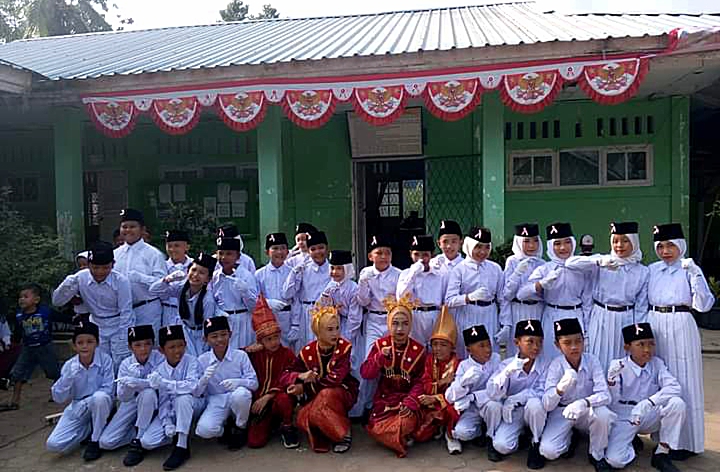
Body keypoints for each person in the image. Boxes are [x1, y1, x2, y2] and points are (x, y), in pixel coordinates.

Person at [647, 223, 714, 458]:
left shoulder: (688, 269)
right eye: (660, 246)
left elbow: (703, 305)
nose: (665, 251)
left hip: (681, 324)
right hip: (655, 323)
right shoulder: (652, 270)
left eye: (670, 246)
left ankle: (685, 442)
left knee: (684, 380)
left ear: (680, 246)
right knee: (659, 380)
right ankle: (661, 438)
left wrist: (695, 274)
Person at [565, 222, 649, 370]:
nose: (619, 245)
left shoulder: (642, 271)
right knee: (597, 359)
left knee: (621, 363)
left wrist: (637, 334)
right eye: (615, 241)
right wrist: (598, 262)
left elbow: (641, 307)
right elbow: (570, 263)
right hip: (601, 317)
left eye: (625, 241)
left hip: (626, 319)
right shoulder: (603, 261)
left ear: (634, 242)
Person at [605, 323, 687, 472]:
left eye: (651, 344)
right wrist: (611, 382)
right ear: (627, 347)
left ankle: (662, 453)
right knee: (615, 461)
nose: (647, 349)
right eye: (641, 344)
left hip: (650, 412)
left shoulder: (656, 363)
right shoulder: (618, 366)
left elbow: (674, 387)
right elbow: (613, 400)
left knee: (677, 403)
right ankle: (632, 444)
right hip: (626, 416)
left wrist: (649, 402)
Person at [539, 318, 615, 472]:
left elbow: (605, 395)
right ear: (557, 345)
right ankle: (570, 438)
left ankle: (596, 454)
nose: (574, 347)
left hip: (586, 409)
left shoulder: (592, 361)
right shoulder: (555, 365)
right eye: (567, 343)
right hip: (563, 412)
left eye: (578, 341)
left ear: (584, 341)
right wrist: (559, 389)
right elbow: (547, 404)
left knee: (604, 415)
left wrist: (584, 402)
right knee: (549, 451)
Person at [280, 304, 358, 453]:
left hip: (342, 394)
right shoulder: (307, 351)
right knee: (303, 417)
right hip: (316, 398)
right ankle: (331, 429)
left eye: (337, 328)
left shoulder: (344, 348)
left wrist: (303, 387)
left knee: (326, 394)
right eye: (330, 329)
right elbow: (285, 375)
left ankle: (343, 433)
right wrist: (299, 376)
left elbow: (334, 380)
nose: (335, 333)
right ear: (318, 331)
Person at [52, 241, 134, 372]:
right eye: (95, 268)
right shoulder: (80, 278)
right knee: (99, 363)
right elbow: (57, 301)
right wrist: (67, 284)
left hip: (118, 324)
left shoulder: (121, 281)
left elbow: (126, 311)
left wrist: (123, 336)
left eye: (105, 268)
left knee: (120, 363)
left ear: (113, 264)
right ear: (88, 265)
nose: (100, 272)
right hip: (96, 325)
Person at [362, 295, 425, 458]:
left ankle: (395, 434)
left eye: (405, 324)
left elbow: (421, 381)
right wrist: (379, 358)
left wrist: (410, 401)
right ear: (389, 324)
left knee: (406, 421)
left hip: (406, 402)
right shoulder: (380, 346)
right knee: (375, 425)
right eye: (395, 323)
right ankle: (399, 436)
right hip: (385, 401)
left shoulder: (419, 350)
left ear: (411, 325)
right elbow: (366, 374)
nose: (400, 329)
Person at [518, 223, 591, 361]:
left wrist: (586, 330)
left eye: (567, 242)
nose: (563, 247)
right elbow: (521, 294)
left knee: (574, 358)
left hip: (576, 314)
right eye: (557, 243)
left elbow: (587, 302)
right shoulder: (545, 269)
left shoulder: (581, 268)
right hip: (552, 315)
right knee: (550, 357)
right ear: (551, 246)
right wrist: (540, 284)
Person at [46, 321, 114, 461]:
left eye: (90, 342)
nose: (85, 346)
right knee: (53, 444)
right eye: (80, 342)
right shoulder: (69, 365)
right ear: (74, 345)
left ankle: (95, 440)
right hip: (77, 406)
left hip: (101, 404)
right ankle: (88, 430)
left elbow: (109, 389)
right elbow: (58, 398)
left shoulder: (105, 360)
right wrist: (68, 378)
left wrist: (87, 402)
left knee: (99, 398)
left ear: (97, 343)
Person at [98, 324, 164, 466]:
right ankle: (136, 431)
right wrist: (129, 386)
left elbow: (158, 385)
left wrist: (138, 382)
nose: (143, 348)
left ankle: (138, 440)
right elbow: (123, 397)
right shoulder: (125, 364)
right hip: (131, 402)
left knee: (147, 394)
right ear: (130, 347)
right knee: (106, 442)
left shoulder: (160, 359)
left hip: (156, 402)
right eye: (138, 345)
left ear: (153, 344)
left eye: (147, 344)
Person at [486, 319, 548, 469]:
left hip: (536, 413)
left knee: (535, 404)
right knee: (502, 445)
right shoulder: (506, 364)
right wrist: (506, 373)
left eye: (539, 342)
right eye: (530, 342)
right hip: (513, 412)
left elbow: (543, 392)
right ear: (516, 342)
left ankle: (536, 442)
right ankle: (521, 438)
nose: (536, 347)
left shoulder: (547, 364)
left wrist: (518, 398)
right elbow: (492, 393)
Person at [141, 325, 204, 471]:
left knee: (183, 398)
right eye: (172, 347)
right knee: (147, 442)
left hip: (195, 405)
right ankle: (177, 432)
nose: (177, 350)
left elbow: (192, 387)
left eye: (180, 345)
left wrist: (166, 383)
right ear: (161, 350)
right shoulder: (159, 370)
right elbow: (163, 401)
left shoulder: (192, 362)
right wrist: (167, 422)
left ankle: (181, 446)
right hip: (172, 411)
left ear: (186, 345)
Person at [354, 234, 402, 417]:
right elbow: (363, 301)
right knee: (371, 361)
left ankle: (388, 402)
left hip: (393, 321)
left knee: (393, 361)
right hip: (374, 320)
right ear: (370, 256)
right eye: (379, 253)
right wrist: (363, 283)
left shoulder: (398, 274)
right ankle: (365, 405)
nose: (383, 257)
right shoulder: (366, 273)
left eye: (387, 253)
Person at [194, 316, 258, 450]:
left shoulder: (240, 355)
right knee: (204, 430)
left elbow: (254, 383)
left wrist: (238, 382)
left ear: (230, 334)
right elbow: (197, 393)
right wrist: (203, 380)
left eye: (223, 334)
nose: (219, 339)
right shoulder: (202, 360)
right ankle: (225, 431)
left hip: (237, 399)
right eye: (214, 336)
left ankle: (240, 427)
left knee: (241, 394)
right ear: (205, 339)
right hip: (215, 400)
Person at [445, 227, 510, 357]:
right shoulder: (459, 269)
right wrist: (468, 297)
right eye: (478, 247)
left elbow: (502, 298)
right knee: (467, 353)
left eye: (487, 247)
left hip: (489, 314)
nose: (482, 252)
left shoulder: (495, 268)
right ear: (469, 246)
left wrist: (506, 323)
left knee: (489, 353)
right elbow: (449, 300)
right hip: (467, 314)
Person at [246, 296, 299, 449]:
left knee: (284, 399)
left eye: (276, 337)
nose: (274, 342)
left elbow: (289, 379)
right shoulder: (255, 354)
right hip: (259, 401)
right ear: (260, 341)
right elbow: (235, 361)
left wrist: (268, 396)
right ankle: (269, 422)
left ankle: (287, 426)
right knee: (255, 442)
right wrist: (247, 350)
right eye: (268, 339)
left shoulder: (287, 353)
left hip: (277, 398)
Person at [1, 283, 61, 411]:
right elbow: (18, 333)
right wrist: (11, 343)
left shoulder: (45, 312)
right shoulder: (19, 316)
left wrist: (75, 320)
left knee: (54, 372)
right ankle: (15, 401)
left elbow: (61, 317)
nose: (21, 299)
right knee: (18, 373)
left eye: (25, 296)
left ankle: (57, 394)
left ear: (36, 300)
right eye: (20, 297)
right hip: (27, 348)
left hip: (45, 347)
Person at [412, 306, 461, 453]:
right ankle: (437, 427)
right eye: (435, 344)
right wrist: (441, 383)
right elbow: (426, 384)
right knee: (419, 434)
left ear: (452, 347)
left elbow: (458, 393)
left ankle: (450, 435)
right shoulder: (429, 360)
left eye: (443, 345)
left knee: (454, 409)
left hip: (449, 404)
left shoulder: (458, 364)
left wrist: (436, 398)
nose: (438, 349)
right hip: (431, 403)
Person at [445, 324, 502, 452]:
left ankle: (491, 438)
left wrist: (473, 396)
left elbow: (498, 389)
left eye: (489, 344)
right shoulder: (464, 366)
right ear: (469, 350)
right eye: (481, 346)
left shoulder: (496, 359)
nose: (488, 349)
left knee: (494, 406)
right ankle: (480, 432)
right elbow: (449, 396)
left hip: (490, 403)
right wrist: (462, 384)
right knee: (461, 432)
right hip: (472, 408)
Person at [150, 253, 218, 357]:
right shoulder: (182, 287)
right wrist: (168, 279)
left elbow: (207, 326)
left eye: (201, 273)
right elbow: (153, 290)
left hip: (199, 335)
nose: (195, 275)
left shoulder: (207, 299)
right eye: (193, 270)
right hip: (183, 331)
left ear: (207, 280)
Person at [113, 208, 168, 334]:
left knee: (148, 344)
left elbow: (163, 284)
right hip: (122, 312)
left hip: (147, 308)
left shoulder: (154, 254)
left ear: (142, 229)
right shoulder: (115, 254)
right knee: (124, 344)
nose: (128, 230)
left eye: (132, 226)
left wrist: (141, 278)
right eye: (124, 227)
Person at [282, 229, 330, 349]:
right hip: (305, 315)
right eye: (313, 249)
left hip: (327, 314)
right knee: (305, 349)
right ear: (308, 251)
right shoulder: (303, 269)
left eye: (321, 248)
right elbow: (287, 294)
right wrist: (293, 274)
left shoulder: (333, 270)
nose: (317, 252)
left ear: (327, 248)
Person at [503, 223, 545, 357]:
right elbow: (507, 294)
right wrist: (517, 273)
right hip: (518, 309)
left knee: (536, 346)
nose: (531, 246)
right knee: (518, 347)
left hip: (538, 309)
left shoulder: (542, 264)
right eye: (526, 241)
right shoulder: (512, 261)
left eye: (535, 241)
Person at [210, 233, 258, 350]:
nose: (224, 257)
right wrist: (218, 311)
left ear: (237, 256)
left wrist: (245, 292)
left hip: (242, 321)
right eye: (221, 253)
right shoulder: (215, 276)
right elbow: (211, 300)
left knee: (242, 353)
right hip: (222, 322)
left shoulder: (246, 276)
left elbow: (253, 306)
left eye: (229, 254)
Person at [318, 250, 362, 374]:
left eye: (339, 268)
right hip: (336, 325)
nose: (334, 272)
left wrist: (346, 336)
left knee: (352, 357)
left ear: (346, 269)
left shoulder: (353, 288)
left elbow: (355, 317)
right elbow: (322, 306)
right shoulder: (330, 286)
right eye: (332, 268)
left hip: (351, 328)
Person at [397, 235, 444, 348]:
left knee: (435, 349)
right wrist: (412, 274)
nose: (421, 259)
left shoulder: (440, 274)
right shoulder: (405, 273)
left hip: (435, 315)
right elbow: (401, 297)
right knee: (415, 350)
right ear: (410, 254)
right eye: (416, 254)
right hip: (415, 315)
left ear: (432, 255)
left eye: (425, 255)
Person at [255, 232, 293, 347]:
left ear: (287, 251)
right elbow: (256, 298)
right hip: (268, 318)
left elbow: (297, 299)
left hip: (289, 318)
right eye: (275, 248)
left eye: (283, 248)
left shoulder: (293, 272)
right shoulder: (259, 274)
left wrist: (296, 325)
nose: (279, 252)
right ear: (267, 252)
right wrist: (267, 302)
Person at [161, 230, 193, 327]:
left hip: (189, 311)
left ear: (187, 247)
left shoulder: (194, 265)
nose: (172, 249)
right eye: (169, 246)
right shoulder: (162, 266)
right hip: (167, 311)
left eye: (176, 246)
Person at [429, 220, 464, 299]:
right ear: (439, 243)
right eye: (445, 242)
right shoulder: (432, 264)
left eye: (454, 241)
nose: (449, 246)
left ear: (461, 243)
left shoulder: (466, 265)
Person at [71, 251, 91, 324]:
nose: (82, 267)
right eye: (80, 265)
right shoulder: (77, 278)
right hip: (81, 313)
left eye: (85, 264)